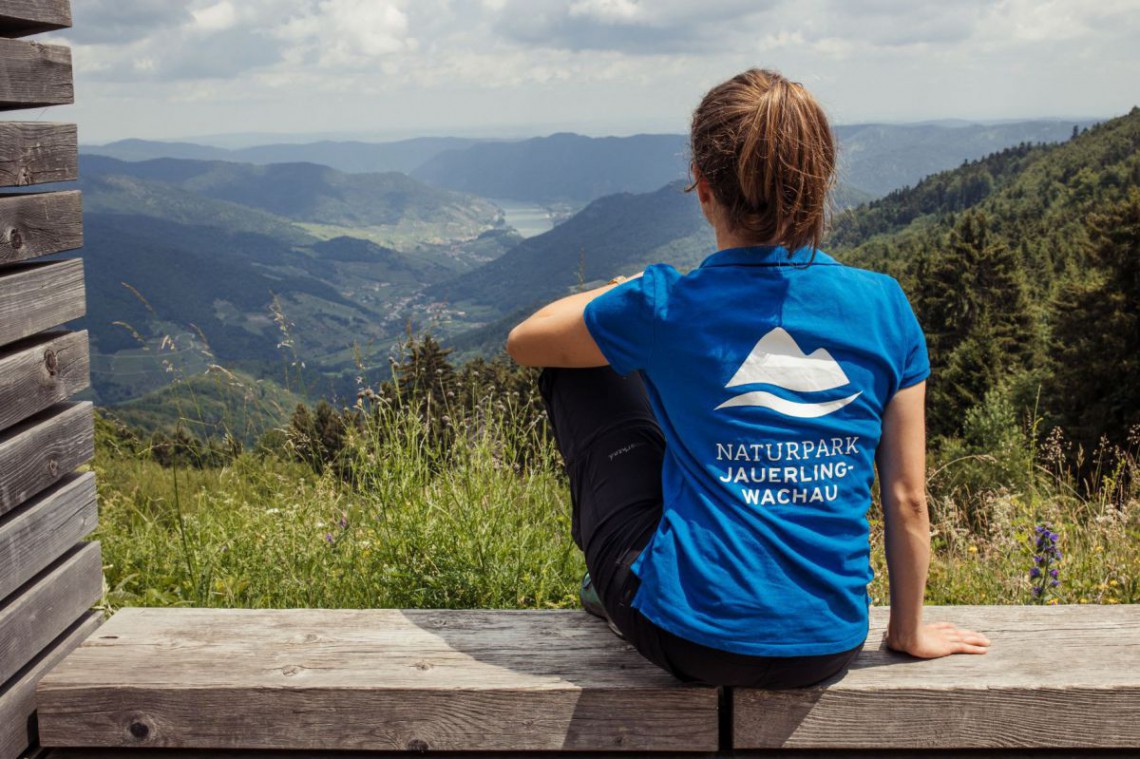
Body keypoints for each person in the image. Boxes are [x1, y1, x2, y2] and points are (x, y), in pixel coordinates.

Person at [505, 68, 991, 688]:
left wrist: (640, 287)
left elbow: (528, 341)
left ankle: (618, 583)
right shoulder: (886, 306)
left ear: (703, 190)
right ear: (820, 186)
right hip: (828, 645)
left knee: (579, 370)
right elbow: (907, 498)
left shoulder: (667, 304)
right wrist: (908, 630)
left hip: (686, 635)